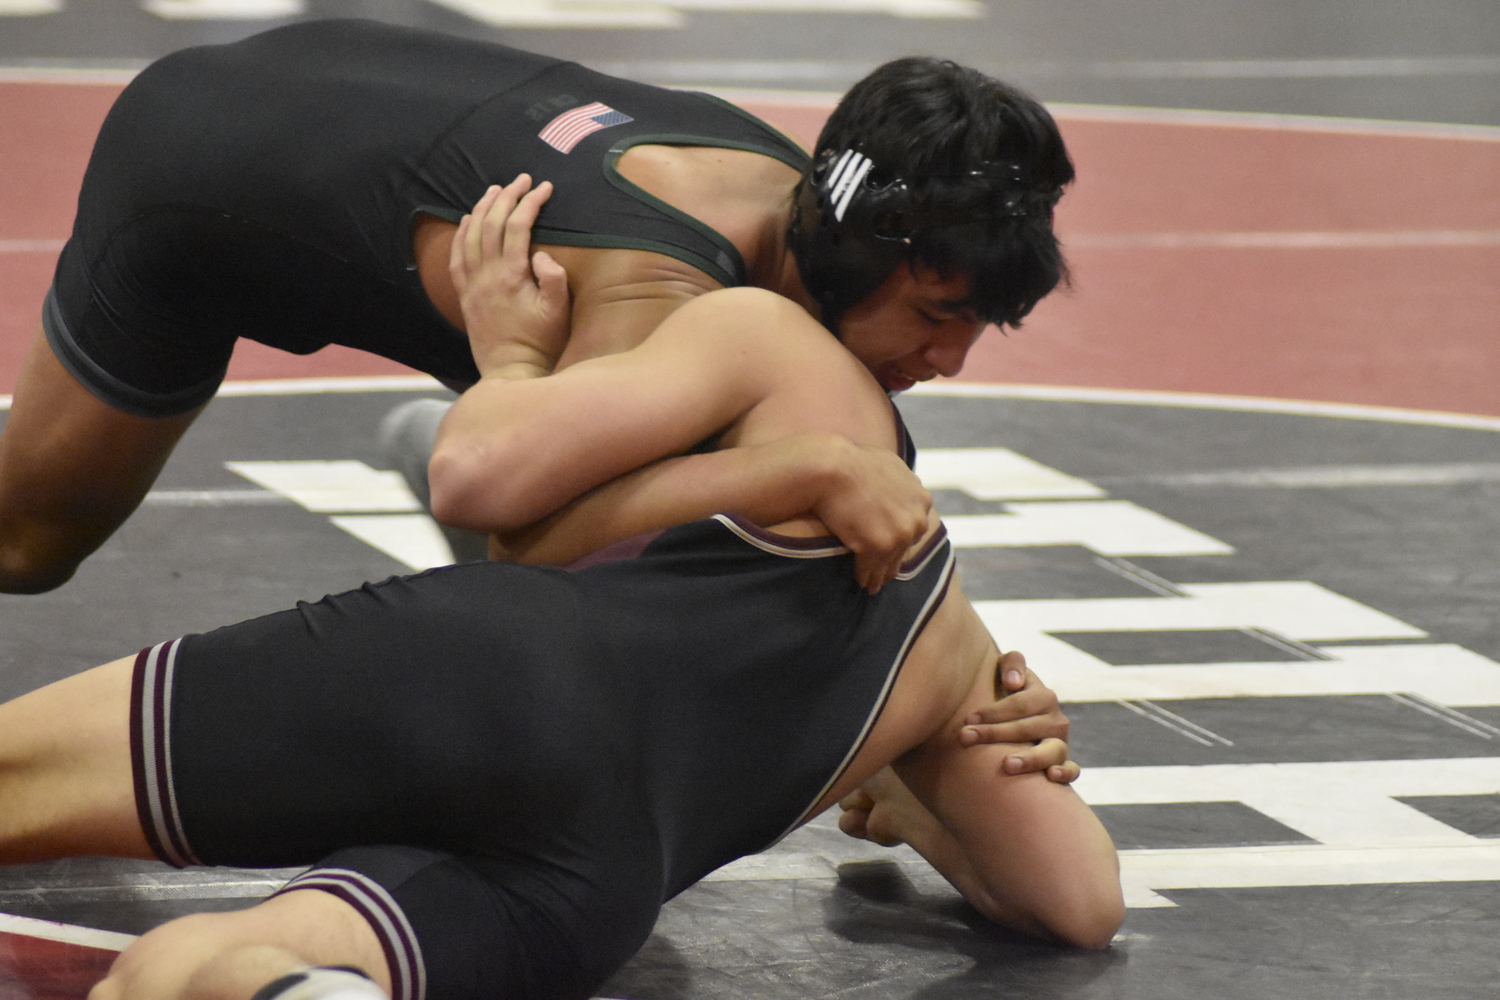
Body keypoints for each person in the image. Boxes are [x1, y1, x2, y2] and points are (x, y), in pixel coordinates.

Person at [0, 197, 1120, 1000]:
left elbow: (490, 489)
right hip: (593, 869)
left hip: (502, 675)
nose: (951, 356)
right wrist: (918, 780)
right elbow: (1079, 901)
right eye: (941, 318)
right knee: (177, 974)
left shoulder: (779, 352)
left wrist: (512, 356)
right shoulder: (957, 649)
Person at [0, 17, 1074, 593]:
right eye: (937, 317)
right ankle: (476, 430)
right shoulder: (657, 292)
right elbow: (529, 546)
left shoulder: (814, 199)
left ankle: (492, 421)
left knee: (673, 452)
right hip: (205, 164)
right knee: (27, 548)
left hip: (338, 78)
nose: (952, 360)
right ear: (847, 262)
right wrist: (805, 467)